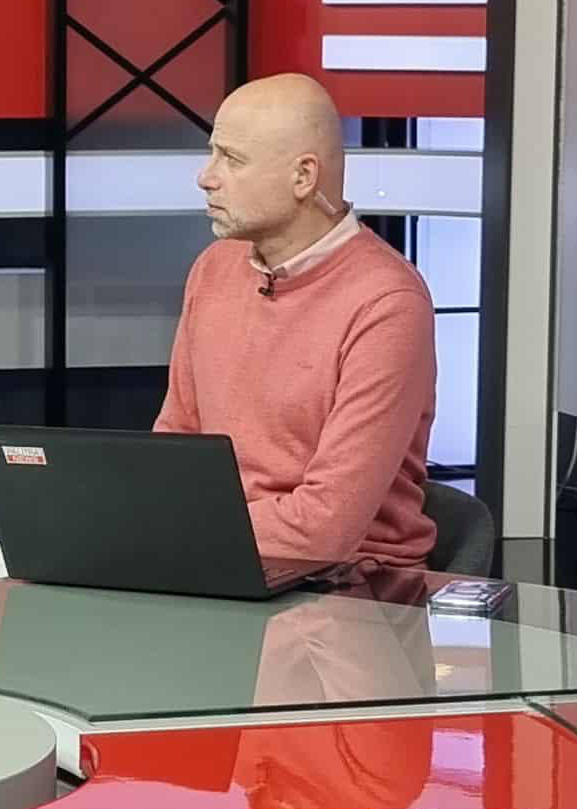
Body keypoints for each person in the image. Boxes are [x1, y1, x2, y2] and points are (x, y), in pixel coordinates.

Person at [155, 74, 437, 568]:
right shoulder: (214, 269)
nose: (206, 177)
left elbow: (325, 527)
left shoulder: (387, 303)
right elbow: (175, 448)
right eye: (212, 154)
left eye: (232, 159)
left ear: (303, 177)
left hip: (351, 583)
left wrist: (174, 531)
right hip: (212, 556)